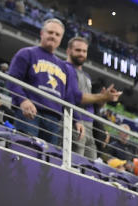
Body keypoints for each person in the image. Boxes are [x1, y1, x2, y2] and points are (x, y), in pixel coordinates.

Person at [7, 18, 82, 146]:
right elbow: (12, 80)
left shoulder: (65, 68)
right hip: (30, 114)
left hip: (53, 120)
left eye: (57, 34)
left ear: (61, 39)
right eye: (50, 32)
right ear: (42, 33)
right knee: (26, 152)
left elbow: (68, 98)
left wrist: (77, 120)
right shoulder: (27, 53)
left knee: (47, 161)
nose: (53, 36)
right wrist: (22, 100)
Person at [65, 36, 121, 160]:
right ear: (68, 51)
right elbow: (77, 97)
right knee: (75, 163)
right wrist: (102, 96)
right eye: (78, 50)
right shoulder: (65, 68)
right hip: (75, 122)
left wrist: (104, 99)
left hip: (89, 125)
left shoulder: (87, 76)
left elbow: (91, 103)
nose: (81, 54)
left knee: (90, 167)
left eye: (84, 51)